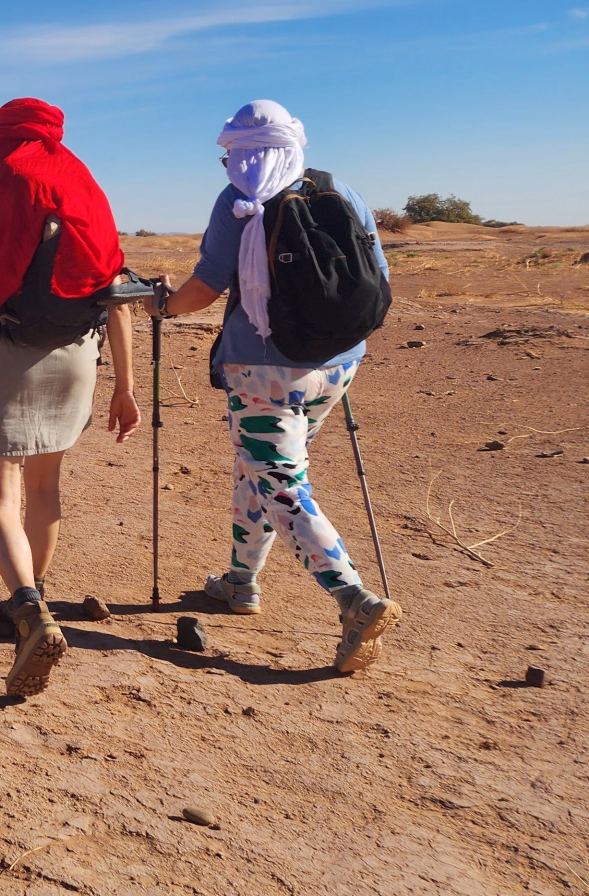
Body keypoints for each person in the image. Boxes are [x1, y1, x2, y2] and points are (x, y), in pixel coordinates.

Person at [142, 99, 401, 673]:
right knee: (256, 468)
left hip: (262, 366)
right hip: (337, 364)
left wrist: (161, 306)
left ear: (239, 152)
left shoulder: (240, 200)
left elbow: (207, 284)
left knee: (280, 481)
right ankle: (241, 581)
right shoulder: (342, 191)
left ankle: (353, 599)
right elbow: (379, 279)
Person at [0, 98, 138, 698]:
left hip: (0, 352)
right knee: (44, 487)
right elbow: (115, 291)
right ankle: (31, 594)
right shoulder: (83, 186)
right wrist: (127, 386)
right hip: (75, 358)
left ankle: (30, 609)